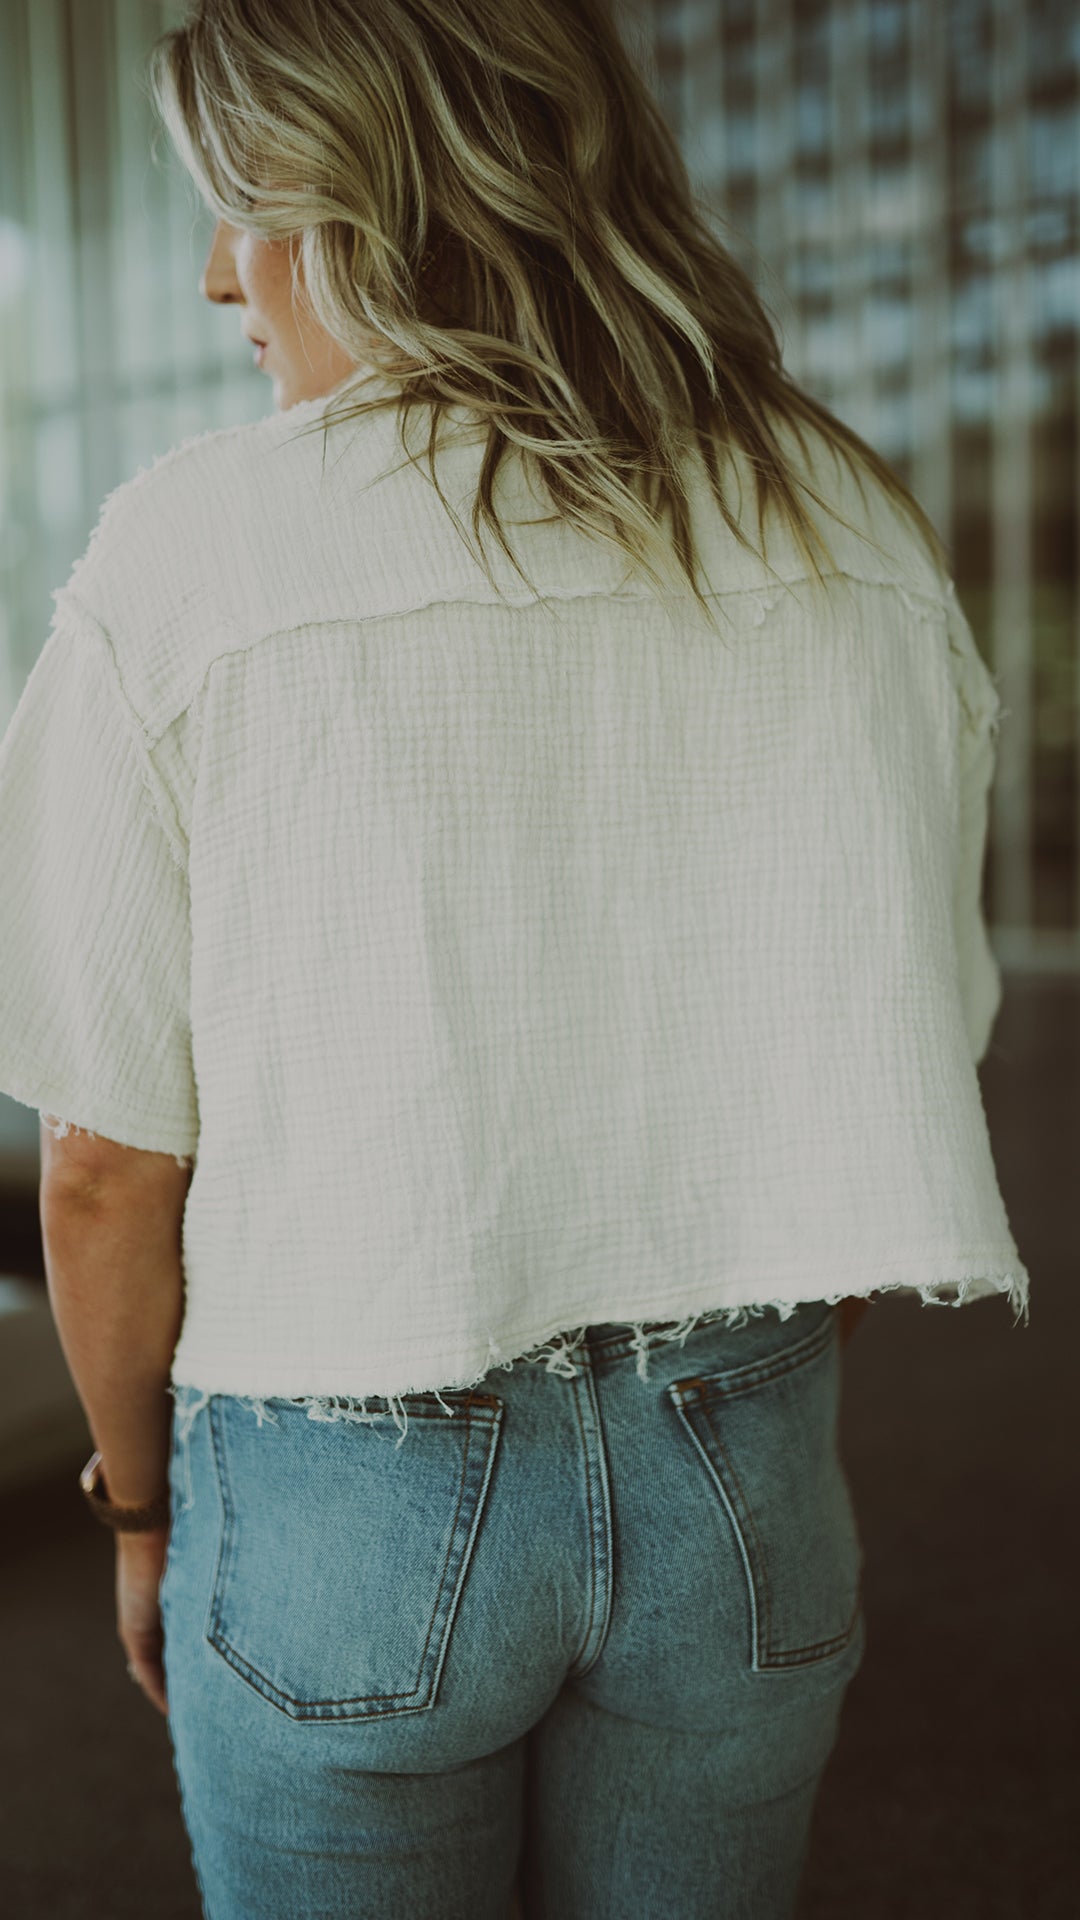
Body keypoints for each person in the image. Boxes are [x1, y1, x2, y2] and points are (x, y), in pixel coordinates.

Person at [0, 1, 1029, 1915]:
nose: (221, 270)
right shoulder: (853, 518)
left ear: (364, 203)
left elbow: (102, 1168)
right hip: (748, 1459)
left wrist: (141, 1513)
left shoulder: (190, 555)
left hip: (337, 1482)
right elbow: (888, 1060)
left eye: (241, 205)